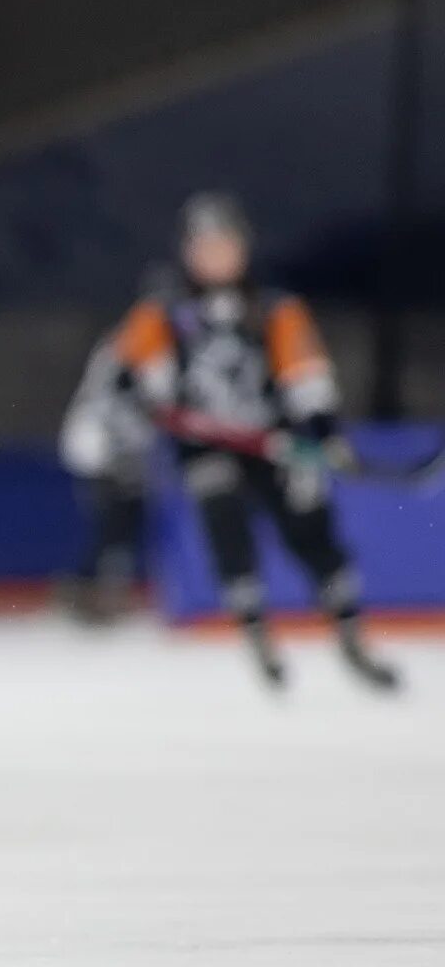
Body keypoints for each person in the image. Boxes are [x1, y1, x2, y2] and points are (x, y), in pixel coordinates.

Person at [110, 193, 397, 689]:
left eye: (226, 245)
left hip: (274, 441)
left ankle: (350, 631)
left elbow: (304, 375)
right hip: (208, 446)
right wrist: (138, 391)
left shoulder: (273, 308)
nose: (217, 257)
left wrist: (324, 432)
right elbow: (130, 375)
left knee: (310, 529)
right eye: (206, 247)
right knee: (224, 520)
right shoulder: (161, 312)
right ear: (187, 252)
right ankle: (254, 630)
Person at [56, 328, 155, 623]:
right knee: (112, 523)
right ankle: (89, 592)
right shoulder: (126, 346)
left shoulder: (138, 347)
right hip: (103, 450)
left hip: (121, 451)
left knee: (124, 523)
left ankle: (102, 591)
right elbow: (112, 402)